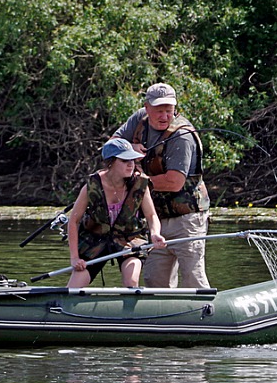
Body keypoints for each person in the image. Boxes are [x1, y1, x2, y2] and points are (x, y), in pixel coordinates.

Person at [112, 83, 210, 288]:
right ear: (147, 108)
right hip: (155, 219)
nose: (164, 116)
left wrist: (135, 182)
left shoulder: (181, 136)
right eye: (159, 110)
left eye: (169, 110)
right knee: (154, 279)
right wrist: (130, 147)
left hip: (187, 220)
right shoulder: (139, 120)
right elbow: (111, 145)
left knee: (192, 275)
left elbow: (174, 182)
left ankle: (205, 315)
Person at [66, 138, 166, 288]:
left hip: (129, 240)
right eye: (125, 160)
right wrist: (74, 258)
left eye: (132, 159)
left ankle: (130, 306)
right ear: (111, 162)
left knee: (131, 282)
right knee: (73, 287)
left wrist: (155, 233)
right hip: (95, 242)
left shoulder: (140, 185)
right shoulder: (92, 186)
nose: (131, 164)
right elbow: (73, 221)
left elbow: (151, 216)